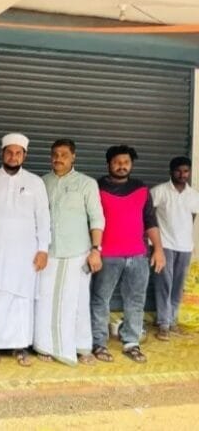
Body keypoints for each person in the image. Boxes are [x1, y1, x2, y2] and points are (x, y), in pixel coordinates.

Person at [0, 133, 50, 367]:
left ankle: (20, 346)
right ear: (2, 153)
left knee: (21, 299)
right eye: (9, 152)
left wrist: (43, 249)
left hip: (25, 254)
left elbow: (43, 218)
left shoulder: (35, 182)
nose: (13, 156)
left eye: (18, 153)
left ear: (24, 156)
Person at [91, 145, 165, 364]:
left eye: (126, 162)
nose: (121, 166)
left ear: (131, 165)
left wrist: (158, 249)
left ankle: (131, 342)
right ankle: (99, 342)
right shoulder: (97, 187)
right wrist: (93, 250)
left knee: (135, 300)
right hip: (107, 255)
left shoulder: (141, 188)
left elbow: (150, 221)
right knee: (100, 299)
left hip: (138, 255)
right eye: (117, 162)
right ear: (108, 164)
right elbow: (91, 220)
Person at [34, 139, 104, 366]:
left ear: (74, 156)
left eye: (64, 154)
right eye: (55, 154)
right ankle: (46, 346)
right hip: (49, 253)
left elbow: (97, 218)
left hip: (77, 253)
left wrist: (96, 250)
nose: (58, 158)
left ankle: (80, 346)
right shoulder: (42, 182)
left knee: (77, 301)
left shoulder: (86, 183)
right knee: (46, 300)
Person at [151, 157, 199, 340]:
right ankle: (163, 324)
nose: (182, 174)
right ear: (171, 171)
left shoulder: (193, 195)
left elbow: (192, 217)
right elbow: (148, 215)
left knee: (178, 286)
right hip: (164, 245)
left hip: (185, 246)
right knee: (164, 283)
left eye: (186, 171)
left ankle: (172, 321)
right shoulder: (159, 191)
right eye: (178, 171)